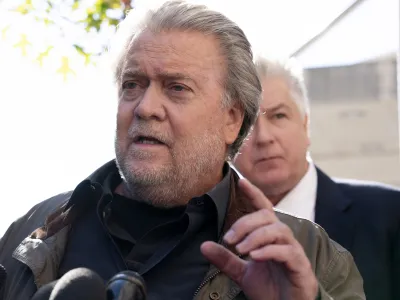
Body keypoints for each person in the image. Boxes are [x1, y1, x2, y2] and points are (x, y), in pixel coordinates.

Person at [0, 1, 365, 299]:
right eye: (132, 84)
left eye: (176, 88)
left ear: (232, 120)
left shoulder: (312, 258)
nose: (145, 107)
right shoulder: (29, 232)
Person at [233, 55, 400, 300]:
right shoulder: (209, 233)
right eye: (246, 125)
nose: (264, 137)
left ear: (305, 125)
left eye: (278, 116)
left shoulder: (390, 214)